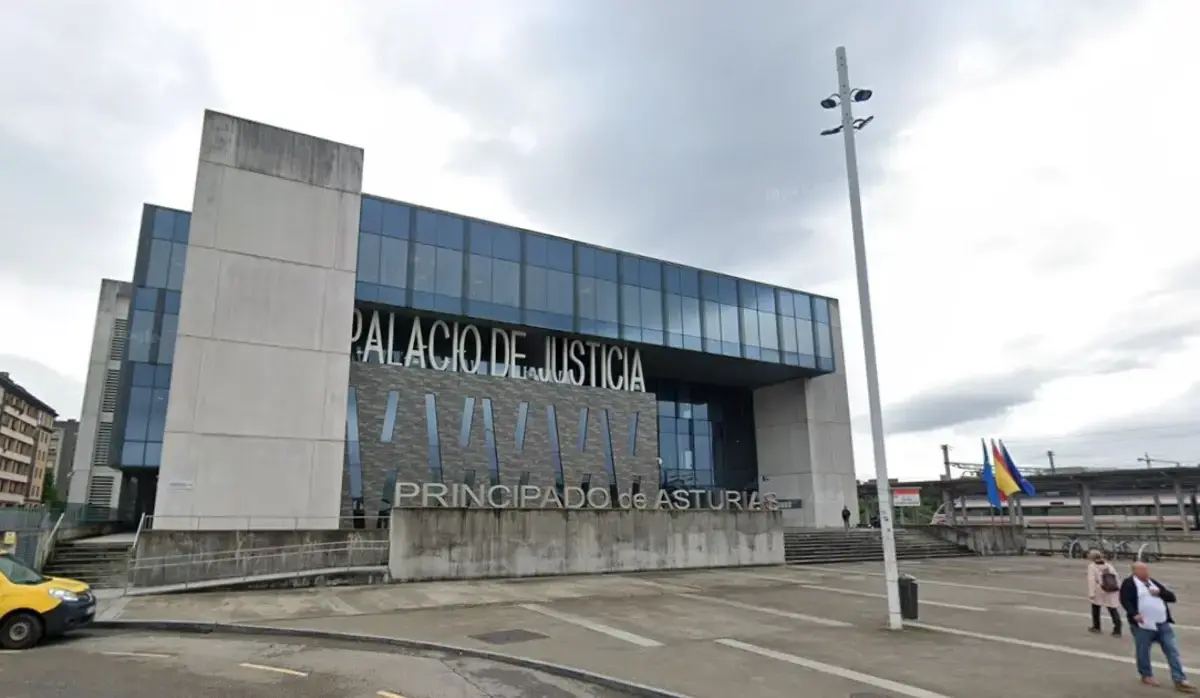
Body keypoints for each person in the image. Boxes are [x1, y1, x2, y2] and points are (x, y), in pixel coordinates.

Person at [1120, 561, 1196, 691]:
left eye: (1146, 570)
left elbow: (1171, 597)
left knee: (1172, 651)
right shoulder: (1129, 583)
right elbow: (1125, 600)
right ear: (1135, 571)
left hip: (1162, 623)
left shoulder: (1152, 582)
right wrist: (1134, 614)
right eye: (1142, 570)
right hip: (1143, 626)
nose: (1146, 573)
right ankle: (1146, 674)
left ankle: (1179, 679)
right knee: (1143, 651)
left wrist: (1160, 592)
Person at [1086, 550, 1122, 636]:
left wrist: (1091, 593)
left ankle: (1096, 627)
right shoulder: (1108, 565)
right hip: (1110, 589)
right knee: (1112, 609)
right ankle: (1117, 629)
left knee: (1095, 608)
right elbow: (1116, 577)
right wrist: (1118, 588)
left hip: (1099, 589)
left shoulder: (1092, 566)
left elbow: (1091, 581)